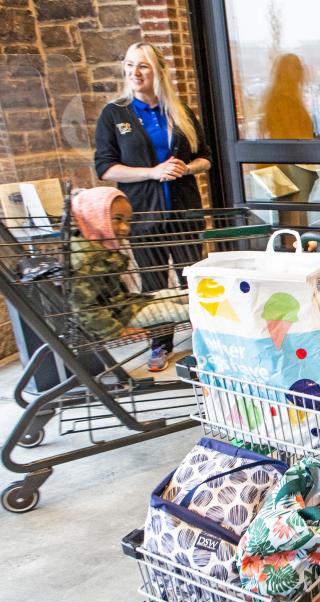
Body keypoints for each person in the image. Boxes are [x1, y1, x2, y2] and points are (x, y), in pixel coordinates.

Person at [94, 41, 211, 371]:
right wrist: (152, 172)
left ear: (159, 71)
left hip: (185, 213)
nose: (134, 72)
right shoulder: (114, 113)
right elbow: (105, 168)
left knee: (194, 281)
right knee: (155, 285)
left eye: (142, 66)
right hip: (143, 215)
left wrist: (185, 168)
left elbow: (206, 158)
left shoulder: (180, 112)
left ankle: (206, 340)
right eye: (129, 64)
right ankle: (160, 345)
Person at [69, 187, 188, 341]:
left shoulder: (97, 246)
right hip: (117, 317)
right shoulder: (88, 259)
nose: (125, 228)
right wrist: (117, 331)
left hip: (125, 305)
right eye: (117, 219)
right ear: (95, 217)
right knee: (172, 311)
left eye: (128, 221)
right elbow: (83, 307)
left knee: (175, 295)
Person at [259, 53, 319, 212]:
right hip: (292, 166)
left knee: (292, 215)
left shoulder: (279, 97)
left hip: (288, 165)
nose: (302, 73)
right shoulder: (284, 100)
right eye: (298, 68)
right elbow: (291, 136)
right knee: (295, 215)